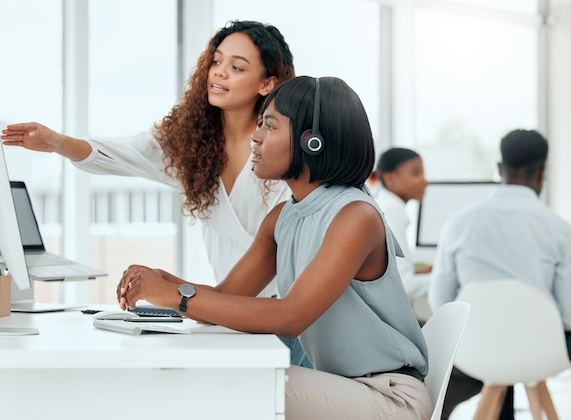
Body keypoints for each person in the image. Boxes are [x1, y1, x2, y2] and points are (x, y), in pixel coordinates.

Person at [115, 76, 433, 420]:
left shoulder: (355, 216)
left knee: (235, 382)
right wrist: (163, 282)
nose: (255, 136)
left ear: (312, 142)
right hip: (339, 388)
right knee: (225, 377)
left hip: (389, 398)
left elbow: (290, 316)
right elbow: (228, 294)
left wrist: (176, 296)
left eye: (270, 125)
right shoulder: (284, 216)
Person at [0, 20, 311, 367]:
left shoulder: (282, 152)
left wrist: (174, 290)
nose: (219, 73)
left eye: (236, 67)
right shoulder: (189, 145)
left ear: (267, 82)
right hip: (230, 316)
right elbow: (118, 153)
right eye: (216, 61)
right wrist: (58, 142)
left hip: (285, 320)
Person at [428, 129, 571, 420]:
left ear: (500, 169)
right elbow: (570, 316)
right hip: (542, 352)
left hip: (478, 353)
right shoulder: (559, 229)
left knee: (496, 350)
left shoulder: (459, 223)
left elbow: (440, 304)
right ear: (542, 173)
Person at [368, 148, 430, 301]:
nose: (424, 180)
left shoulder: (383, 203)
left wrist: (416, 271)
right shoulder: (392, 209)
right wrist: (446, 278)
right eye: (416, 174)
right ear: (389, 179)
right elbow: (403, 285)